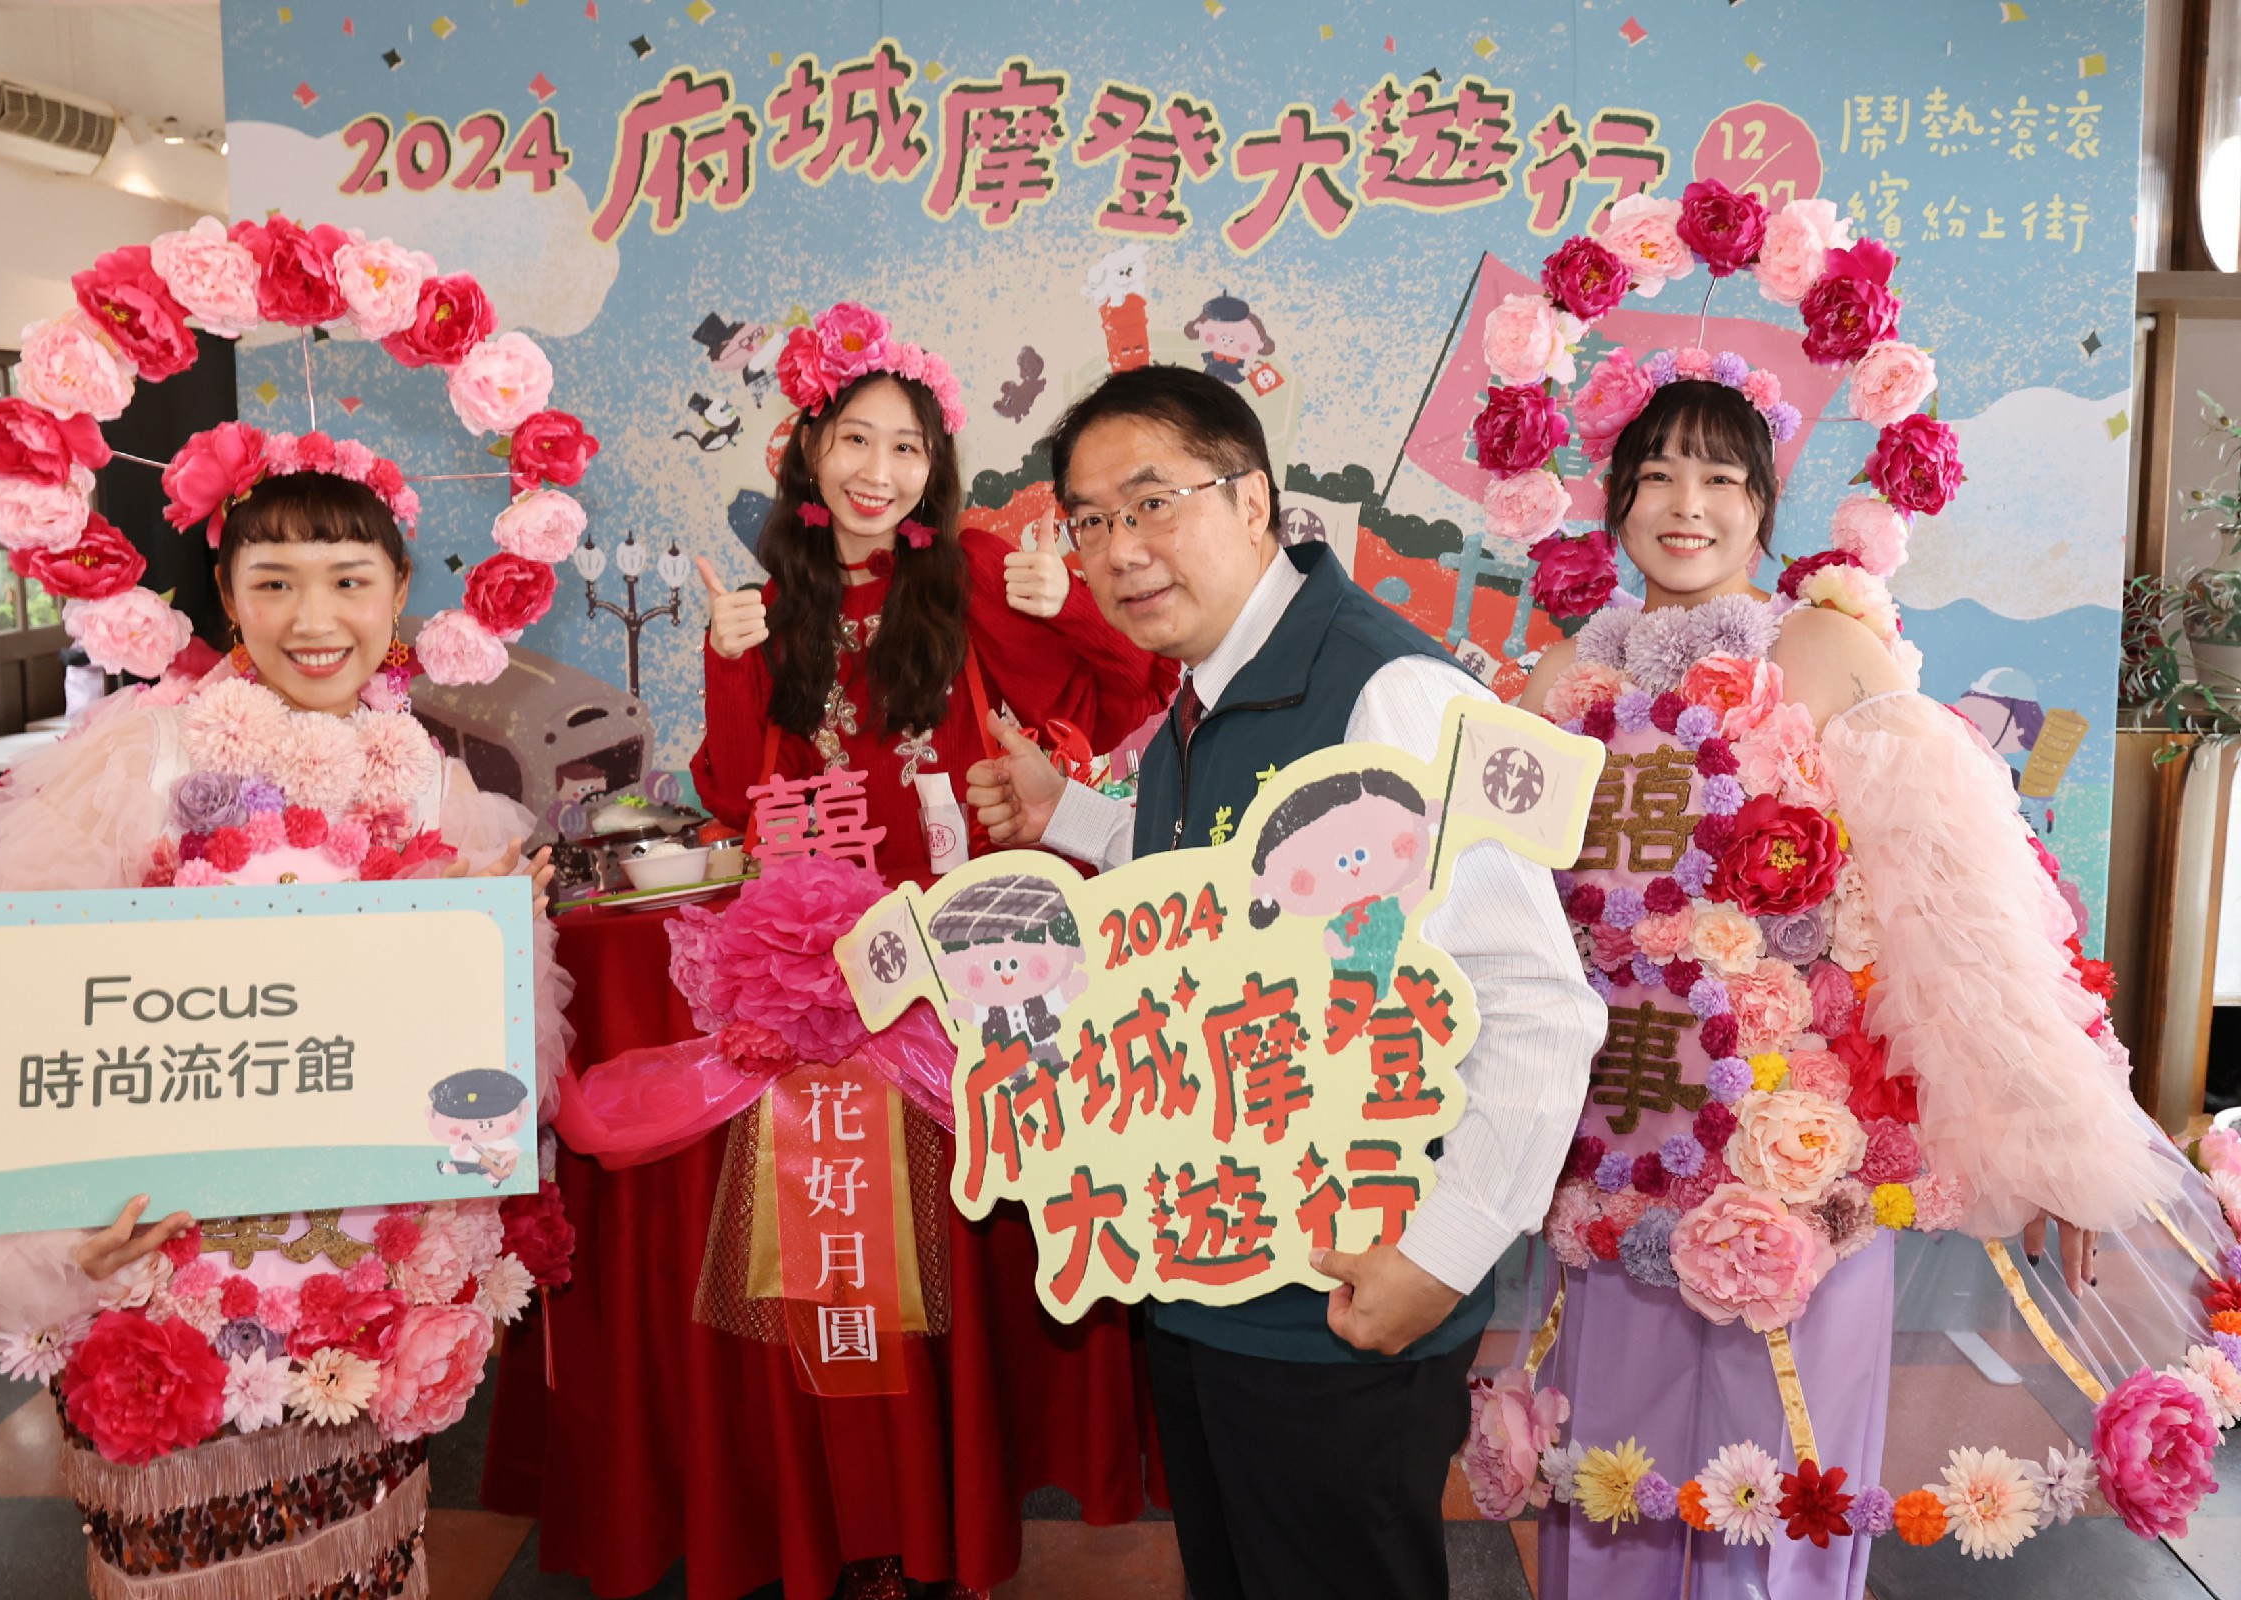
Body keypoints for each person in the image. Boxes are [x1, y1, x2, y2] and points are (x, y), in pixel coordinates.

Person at [1515, 373, 2216, 1597]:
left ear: (1763, 505)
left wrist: (2052, 1132)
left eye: (1720, 478)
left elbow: (1958, 904)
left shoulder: (1826, 648)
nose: (1687, 505)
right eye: (1656, 477)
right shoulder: (1568, 675)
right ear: (1616, 502)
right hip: (1621, 1134)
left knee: (1781, 1476)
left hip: (1800, 1146)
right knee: (1616, 1470)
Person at [0, 468, 575, 1600]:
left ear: (398, 597)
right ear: (228, 595)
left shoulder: (437, 786)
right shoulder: (144, 757)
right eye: (274, 581)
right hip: (161, 1266)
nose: (314, 617)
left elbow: (475, 1070)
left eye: (349, 580)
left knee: (358, 1561)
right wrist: (59, 1231)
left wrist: (493, 946)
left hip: (351, 1268)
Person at [965, 364, 1607, 1600]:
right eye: (1090, 520)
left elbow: (1536, 1006)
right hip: (1213, 1274)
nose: (1120, 549)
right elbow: (1216, 893)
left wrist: (1443, 1255)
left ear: (1253, 500)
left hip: (1347, 1298)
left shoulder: (1386, 691)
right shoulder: (1200, 700)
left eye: (1152, 503)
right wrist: (1072, 815)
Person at [690, 300, 1172, 886]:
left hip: (977, 910)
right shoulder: (773, 610)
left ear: (931, 468)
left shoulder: (969, 574)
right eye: (856, 439)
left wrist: (1068, 604)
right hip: (845, 923)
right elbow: (748, 801)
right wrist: (728, 659)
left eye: (906, 448)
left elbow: (1119, 697)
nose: (876, 474)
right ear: (813, 447)